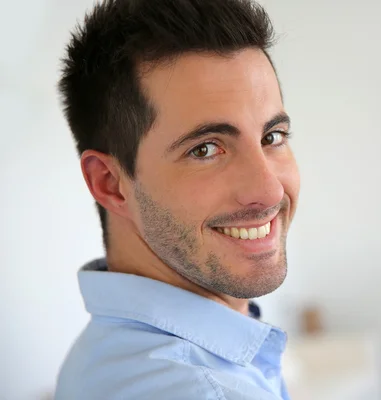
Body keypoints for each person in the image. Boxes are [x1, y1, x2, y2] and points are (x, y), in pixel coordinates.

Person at [55, 0, 300, 398]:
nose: (270, 190)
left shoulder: (107, 354)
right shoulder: (200, 389)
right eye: (205, 149)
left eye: (272, 138)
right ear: (110, 183)